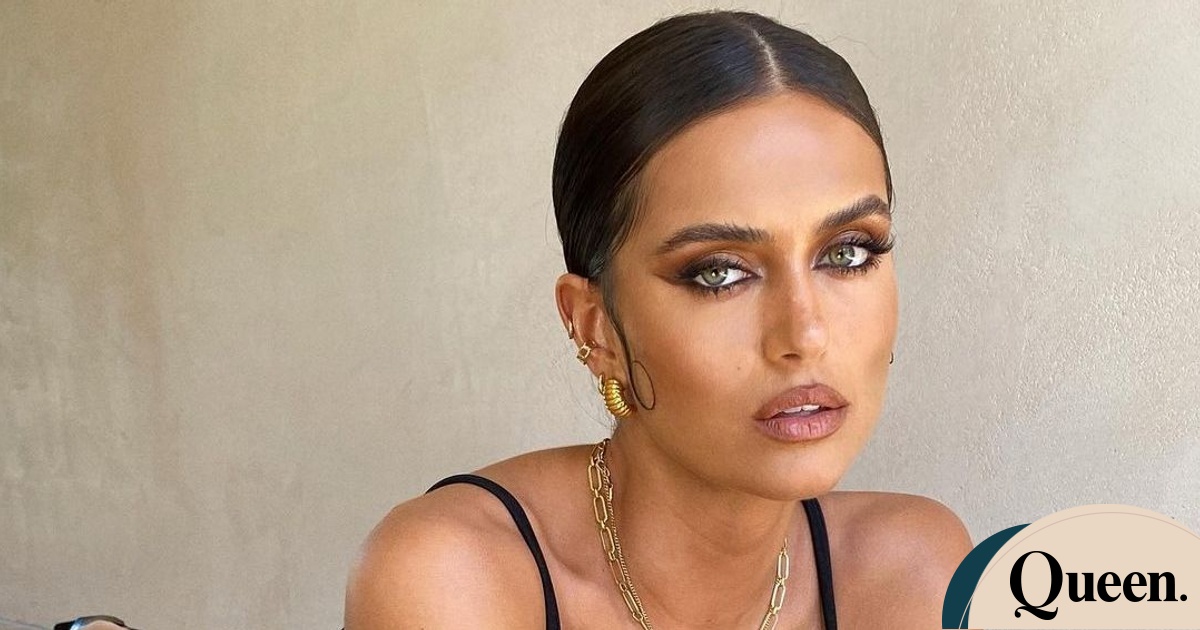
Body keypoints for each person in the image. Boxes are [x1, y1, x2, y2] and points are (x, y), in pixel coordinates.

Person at [345, 9, 972, 629]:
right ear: (595, 327)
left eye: (847, 254)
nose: (805, 335)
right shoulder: (452, 577)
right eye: (719, 273)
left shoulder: (914, 572)